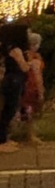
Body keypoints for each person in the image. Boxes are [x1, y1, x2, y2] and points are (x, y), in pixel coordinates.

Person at [0, 24, 30, 153]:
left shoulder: (8, 48)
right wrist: (31, 65)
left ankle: (4, 139)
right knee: (8, 111)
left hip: (11, 80)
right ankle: (1, 141)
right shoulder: (16, 49)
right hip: (14, 81)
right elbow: (23, 67)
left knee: (8, 111)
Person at [20, 33, 44, 122]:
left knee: (22, 111)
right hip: (32, 86)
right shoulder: (35, 57)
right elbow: (37, 74)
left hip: (23, 84)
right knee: (30, 113)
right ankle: (28, 134)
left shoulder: (22, 54)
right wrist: (41, 91)